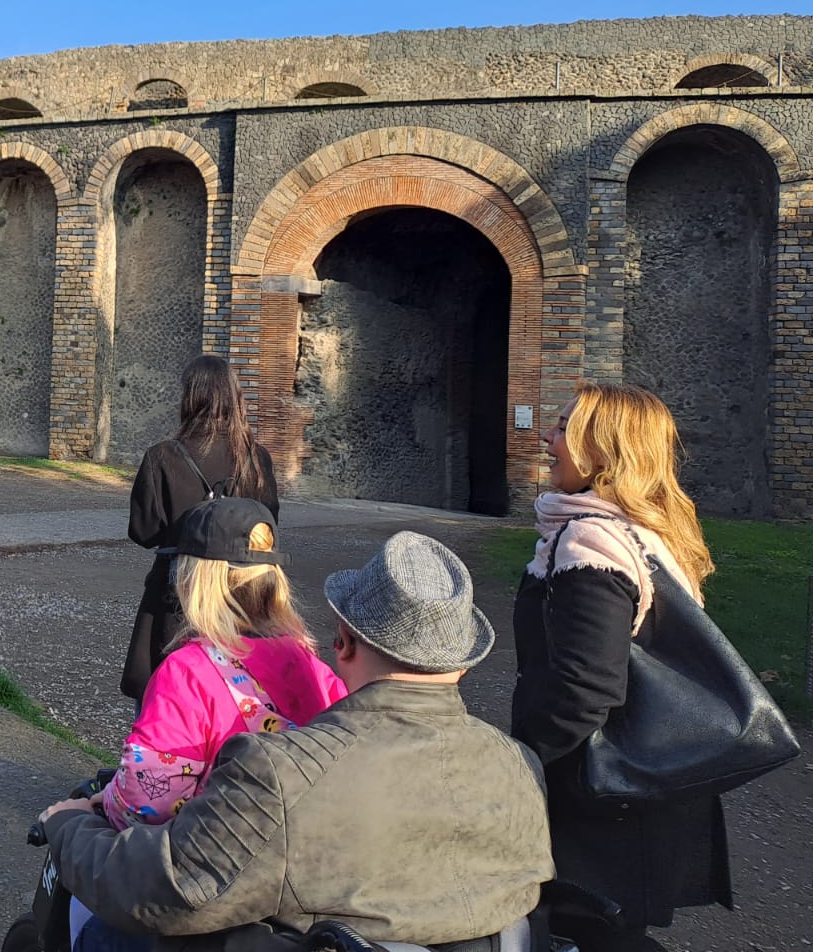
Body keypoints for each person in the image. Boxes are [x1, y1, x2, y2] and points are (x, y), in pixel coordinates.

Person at [42, 531, 554, 952]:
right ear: (463, 662)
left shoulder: (280, 773)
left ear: (344, 642)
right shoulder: (520, 766)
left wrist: (68, 827)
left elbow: (164, 891)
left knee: (104, 932)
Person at [513, 383, 730, 952]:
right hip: (643, 778)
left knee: (587, 930)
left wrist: (523, 762)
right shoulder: (644, 533)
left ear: (603, 450)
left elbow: (587, 687)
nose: (547, 439)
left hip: (598, 788)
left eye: (563, 428)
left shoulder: (591, 540)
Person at [95, 496, 344, 830]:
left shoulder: (187, 673)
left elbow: (146, 805)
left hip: (216, 862)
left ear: (195, 580)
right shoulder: (315, 667)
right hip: (297, 852)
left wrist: (99, 801)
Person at [121, 354, 279, 704]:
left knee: (165, 698)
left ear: (190, 397)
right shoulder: (257, 460)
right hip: (242, 597)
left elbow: (143, 532)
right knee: (235, 699)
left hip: (177, 592)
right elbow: (269, 529)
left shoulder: (162, 456)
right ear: (235, 397)